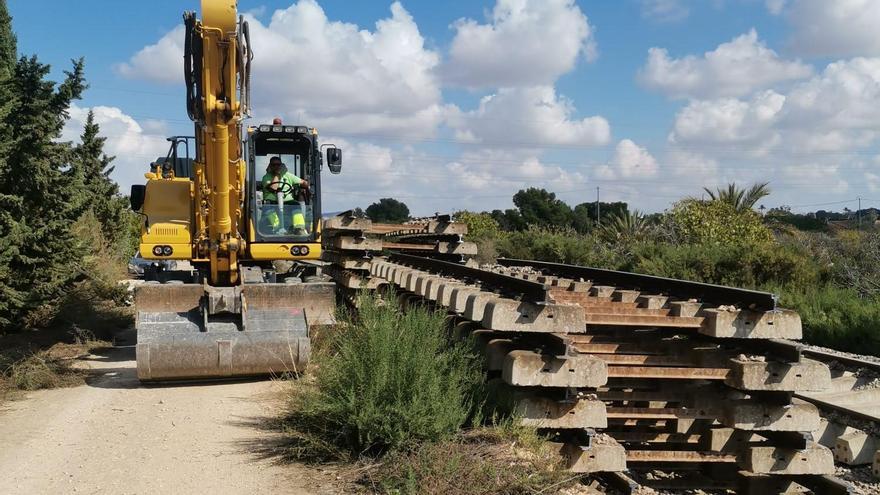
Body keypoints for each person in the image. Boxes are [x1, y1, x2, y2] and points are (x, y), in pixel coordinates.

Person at [262, 156, 310, 235]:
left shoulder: (288, 175)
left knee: (296, 205)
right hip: (271, 202)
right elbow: (273, 187)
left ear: (281, 165)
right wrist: (278, 174)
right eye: (274, 165)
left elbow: (303, 182)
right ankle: (278, 228)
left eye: (278, 164)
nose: (276, 166)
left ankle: (299, 228)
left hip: (287, 201)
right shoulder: (266, 177)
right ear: (270, 166)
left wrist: (305, 184)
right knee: (268, 207)